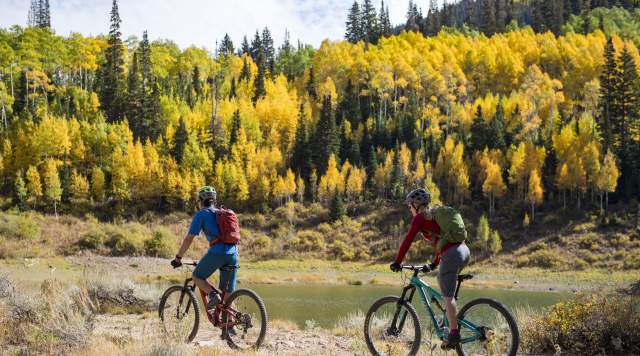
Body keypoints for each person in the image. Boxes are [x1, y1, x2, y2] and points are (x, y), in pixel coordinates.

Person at [390, 188, 470, 348]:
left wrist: (398, 261)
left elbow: (408, 239)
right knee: (443, 283)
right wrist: (434, 264)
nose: (409, 208)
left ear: (416, 204)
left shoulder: (420, 217)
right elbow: (444, 242)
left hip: (453, 254)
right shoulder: (433, 217)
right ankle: (448, 323)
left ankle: (453, 334)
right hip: (464, 251)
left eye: (410, 205)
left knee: (447, 295)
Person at [171, 186, 239, 311]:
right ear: (214, 200)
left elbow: (189, 239)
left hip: (218, 252)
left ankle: (213, 295)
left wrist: (178, 258)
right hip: (233, 253)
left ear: (200, 201)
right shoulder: (222, 213)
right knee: (227, 296)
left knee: (197, 277)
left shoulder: (201, 214)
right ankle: (231, 326)